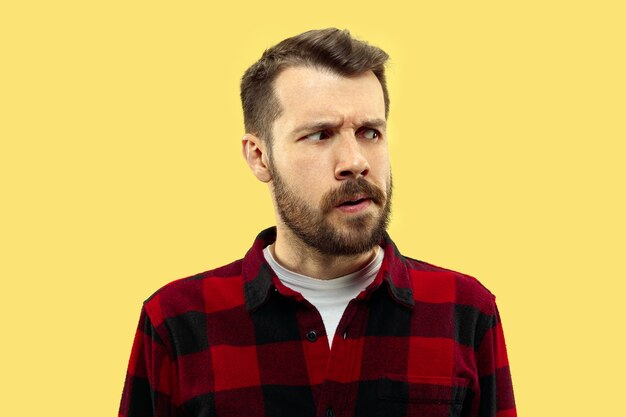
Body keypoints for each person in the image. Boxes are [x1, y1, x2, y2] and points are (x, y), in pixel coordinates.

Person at [119, 28, 516, 417]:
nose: (355, 161)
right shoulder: (175, 322)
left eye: (370, 132)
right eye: (320, 135)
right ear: (259, 156)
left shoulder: (465, 312)